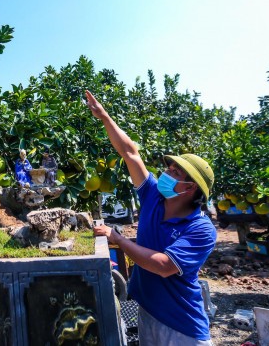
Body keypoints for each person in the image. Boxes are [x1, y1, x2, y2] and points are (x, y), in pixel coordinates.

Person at [85, 90, 216, 345]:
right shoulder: (153, 195)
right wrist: (104, 117)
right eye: (169, 167)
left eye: (175, 172)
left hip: (183, 327)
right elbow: (130, 153)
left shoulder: (201, 229)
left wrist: (119, 240)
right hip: (148, 313)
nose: (167, 172)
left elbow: (163, 265)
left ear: (189, 188)